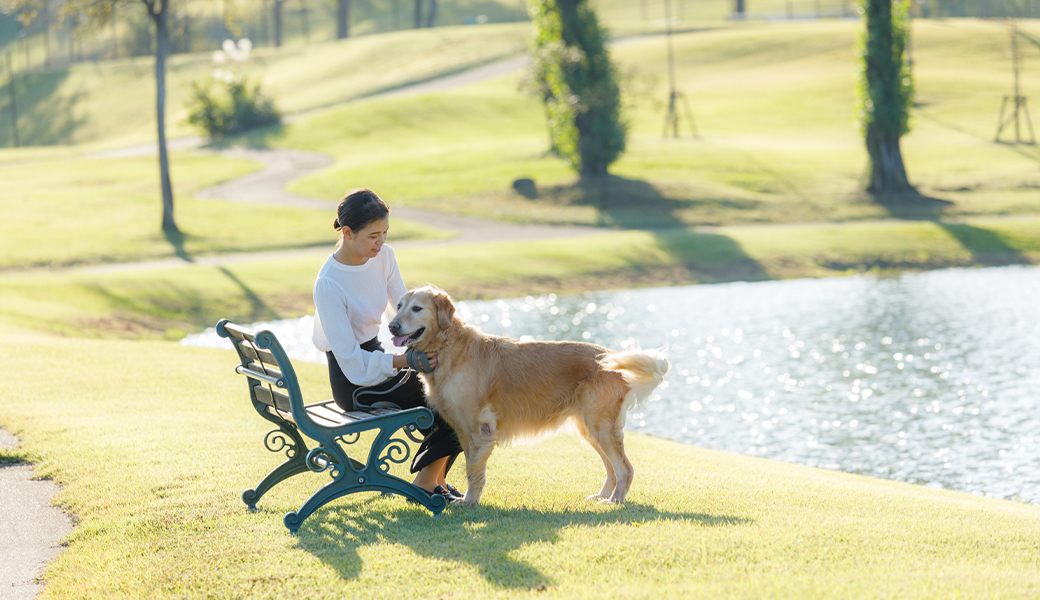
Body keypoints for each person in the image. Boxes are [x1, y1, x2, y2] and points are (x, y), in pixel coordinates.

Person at [311, 188, 463, 503]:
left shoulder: (384, 257)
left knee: (456, 394)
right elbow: (352, 364)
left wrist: (445, 347)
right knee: (453, 405)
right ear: (348, 233)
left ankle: (435, 481)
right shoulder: (329, 284)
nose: (381, 242)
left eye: (385, 233)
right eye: (373, 236)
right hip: (354, 382)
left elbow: (403, 313)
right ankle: (424, 487)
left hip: (378, 360)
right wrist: (406, 361)